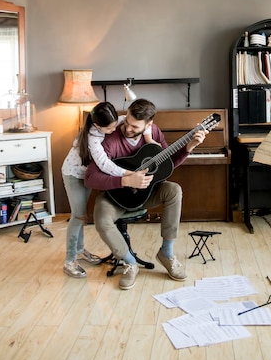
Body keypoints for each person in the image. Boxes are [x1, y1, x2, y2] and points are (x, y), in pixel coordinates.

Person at [84, 98, 208, 290]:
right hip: (116, 195)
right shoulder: (110, 137)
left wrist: (188, 147)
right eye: (127, 122)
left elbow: (167, 165)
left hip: (146, 193)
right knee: (101, 218)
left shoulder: (154, 133)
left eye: (135, 127)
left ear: (149, 124)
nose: (128, 128)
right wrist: (124, 180)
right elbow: (90, 178)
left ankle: (167, 253)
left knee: (174, 190)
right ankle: (128, 262)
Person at [62, 101, 153, 278]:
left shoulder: (117, 121)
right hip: (74, 175)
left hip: (87, 175)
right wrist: (129, 175)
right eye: (110, 129)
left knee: (83, 215)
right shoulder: (92, 137)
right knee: (78, 216)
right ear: (97, 125)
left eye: (115, 126)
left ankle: (80, 250)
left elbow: (147, 124)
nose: (115, 130)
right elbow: (104, 165)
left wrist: (148, 139)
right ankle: (69, 261)